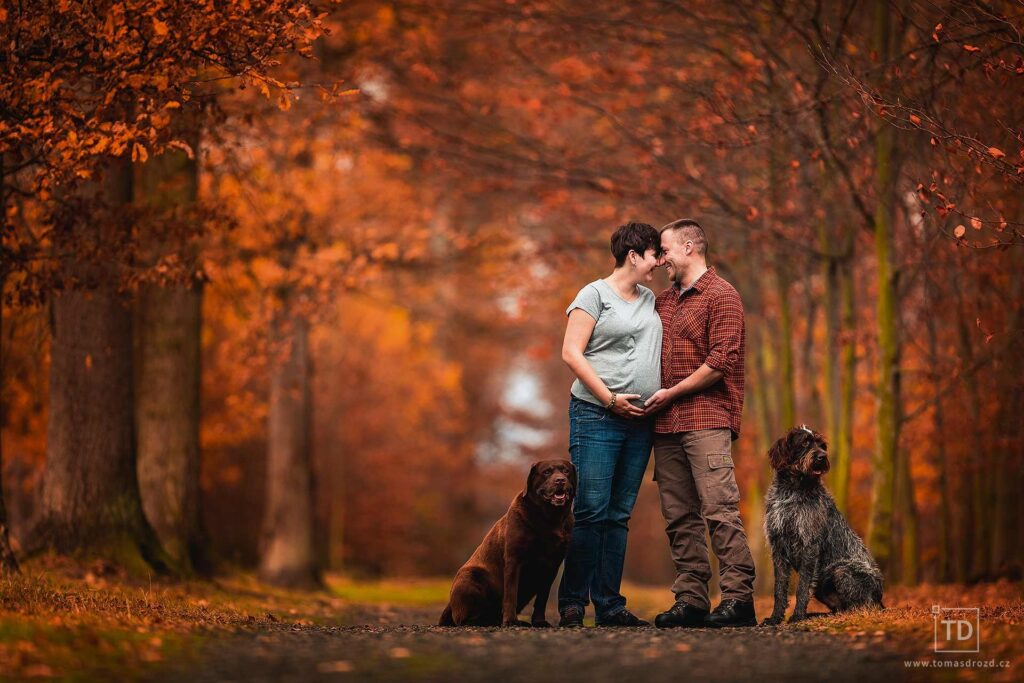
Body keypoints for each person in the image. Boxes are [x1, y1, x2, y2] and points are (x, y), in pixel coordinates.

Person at [643, 218, 757, 628]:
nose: (660, 259)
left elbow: (720, 363)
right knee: (678, 516)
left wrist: (672, 392)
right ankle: (691, 599)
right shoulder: (664, 302)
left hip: (707, 418)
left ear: (689, 246)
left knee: (719, 510)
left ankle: (739, 599)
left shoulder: (723, 296)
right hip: (665, 425)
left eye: (665, 250)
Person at [557, 221, 662, 628]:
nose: (659, 261)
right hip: (596, 414)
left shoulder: (651, 298)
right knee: (591, 512)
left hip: (640, 422)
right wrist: (610, 399)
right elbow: (571, 352)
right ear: (633, 255)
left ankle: (610, 605)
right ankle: (571, 603)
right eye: (655, 253)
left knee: (618, 514)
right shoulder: (593, 294)